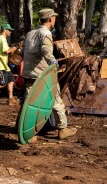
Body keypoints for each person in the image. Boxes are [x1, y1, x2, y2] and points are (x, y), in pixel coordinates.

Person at [21, 8, 77, 141]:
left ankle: (28, 134)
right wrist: (53, 63)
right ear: (51, 19)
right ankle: (62, 128)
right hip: (42, 75)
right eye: (54, 18)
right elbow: (46, 51)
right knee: (55, 100)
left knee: (30, 105)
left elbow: (23, 51)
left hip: (29, 74)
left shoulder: (30, 34)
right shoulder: (46, 33)